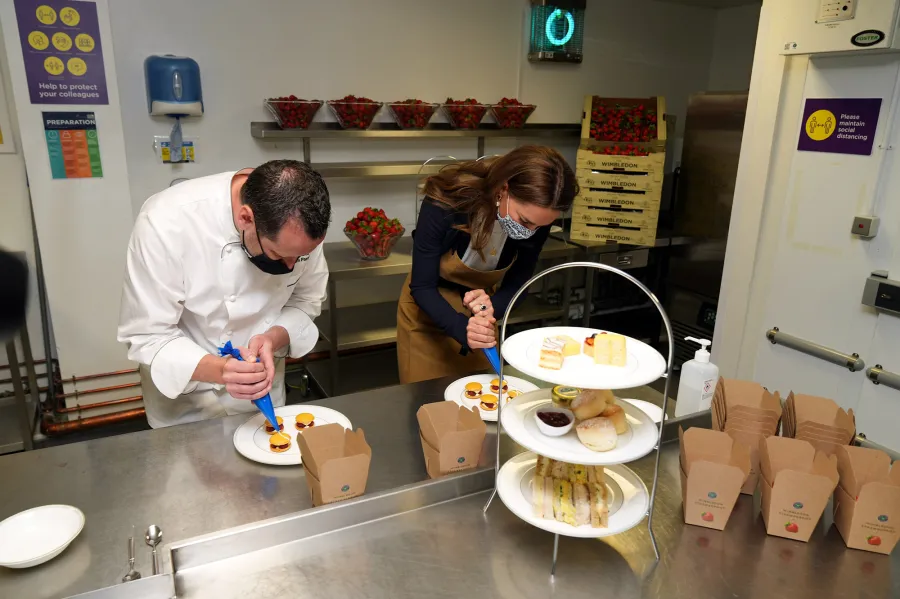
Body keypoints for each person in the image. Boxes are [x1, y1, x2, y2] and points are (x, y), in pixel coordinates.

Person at [118, 160, 331, 428]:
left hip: (262, 392)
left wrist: (271, 338)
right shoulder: (164, 222)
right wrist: (221, 371)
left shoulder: (298, 227)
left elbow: (306, 301)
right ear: (246, 218)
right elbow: (148, 335)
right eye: (278, 255)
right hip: (188, 400)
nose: (291, 266)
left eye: (301, 257)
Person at [397, 145, 577, 383]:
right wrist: (463, 328)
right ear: (504, 188)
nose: (530, 232)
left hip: (482, 311)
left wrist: (490, 310)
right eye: (524, 220)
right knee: (428, 405)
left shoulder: (537, 220)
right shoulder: (445, 203)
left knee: (482, 401)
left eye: (539, 227)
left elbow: (519, 283)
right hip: (428, 312)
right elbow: (422, 286)